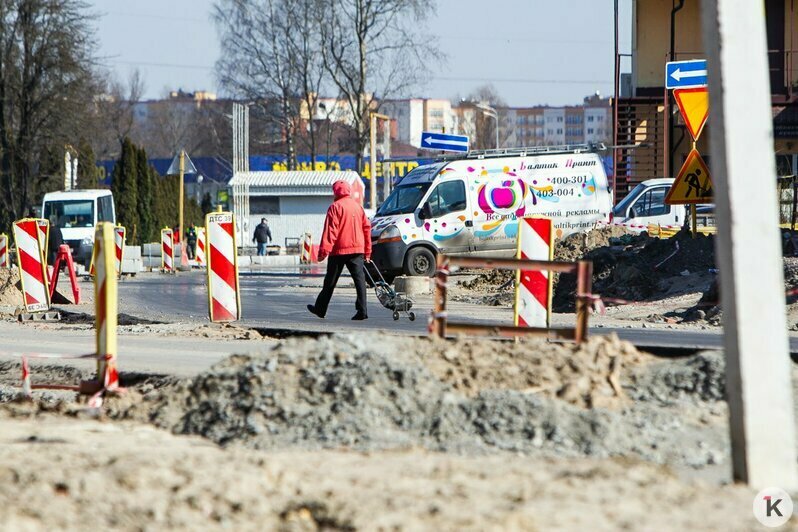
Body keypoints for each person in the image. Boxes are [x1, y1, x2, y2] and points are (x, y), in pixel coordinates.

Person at [307, 180, 371, 320]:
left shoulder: (335, 207)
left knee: (330, 281)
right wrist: (367, 251)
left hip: (339, 250)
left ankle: (320, 309)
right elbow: (366, 229)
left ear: (335, 192)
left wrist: (323, 253)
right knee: (360, 280)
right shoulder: (358, 207)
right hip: (357, 250)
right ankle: (362, 311)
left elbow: (331, 232)